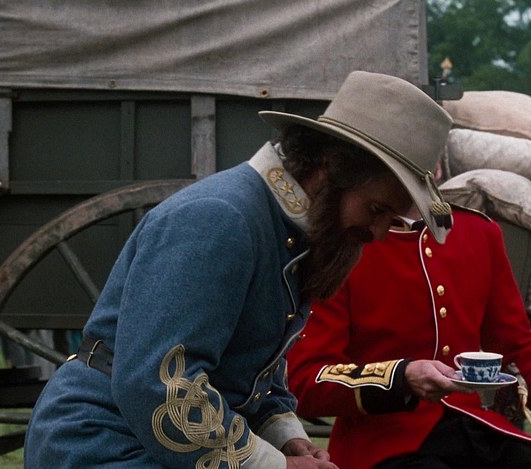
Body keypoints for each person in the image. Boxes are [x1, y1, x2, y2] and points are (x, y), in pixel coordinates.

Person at [24, 71, 456, 468]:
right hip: (101, 445)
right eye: (376, 209)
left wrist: (287, 438)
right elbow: (159, 384)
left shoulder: (287, 229)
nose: (378, 233)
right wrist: (275, 466)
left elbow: (254, 369)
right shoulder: (220, 218)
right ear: (331, 168)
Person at [286, 159, 531, 468]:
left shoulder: (480, 233)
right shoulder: (346, 242)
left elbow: (521, 345)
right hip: (381, 444)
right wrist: (401, 378)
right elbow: (308, 380)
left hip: (474, 430)